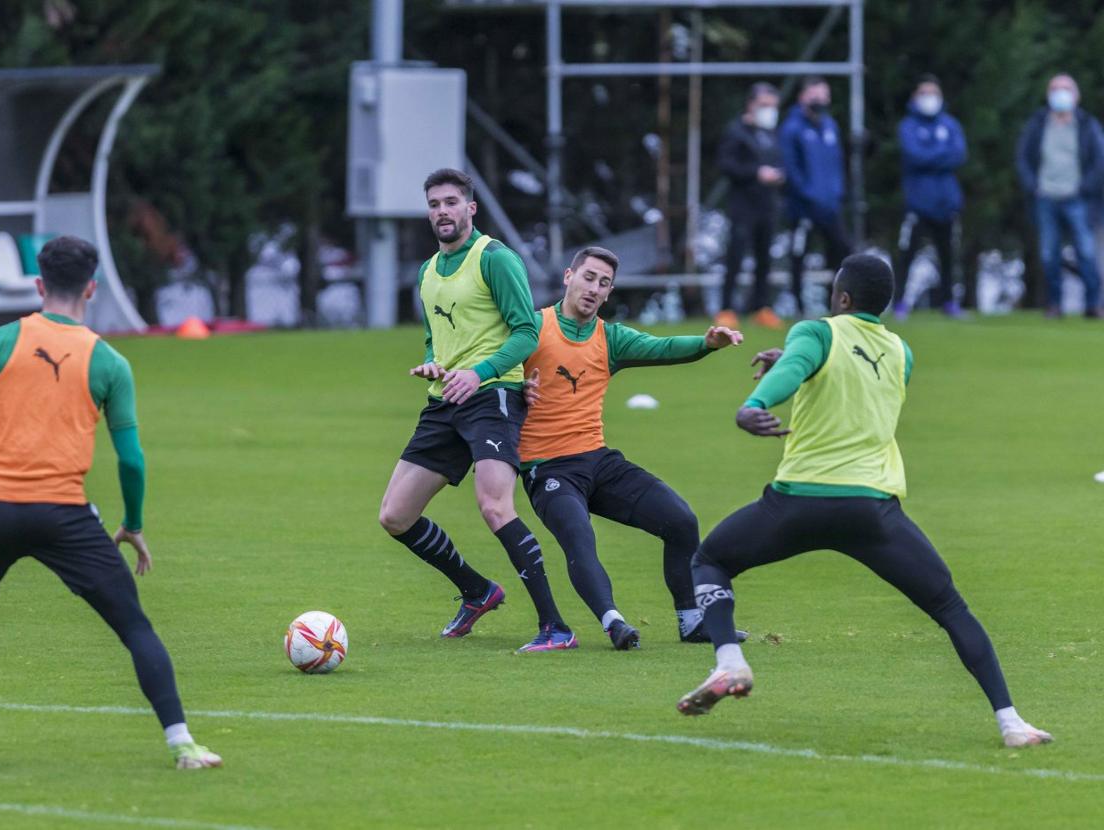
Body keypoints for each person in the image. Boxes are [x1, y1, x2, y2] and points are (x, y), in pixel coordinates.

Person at [676, 254, 1053, 749]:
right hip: (871, 511)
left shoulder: (815, 333)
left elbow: (800, 366)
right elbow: (844, 379)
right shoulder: (902, 353)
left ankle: (729, 661)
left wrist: (755, 403)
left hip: (798, 502)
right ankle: (1011, 723)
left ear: (843, 298)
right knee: (949, 606)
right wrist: (791, 365)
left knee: (711, 559)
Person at [0, 236, 221, 769]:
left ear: (40, 285)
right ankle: (183, 744)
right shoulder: (109, 361)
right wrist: (132, 524)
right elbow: (132, 459)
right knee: (135, 628)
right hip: (64, 515)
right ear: (92, 287)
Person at [379, 168, 574, 652]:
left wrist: (479, 373)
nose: (441, 211)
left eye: (451, 202)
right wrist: (432, 364)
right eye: (434, 204)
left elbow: (527, 332)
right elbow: (434, 338)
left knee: (494, 506)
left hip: (493, 399)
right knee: (395, 516)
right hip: (443, 403)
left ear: (471, 208)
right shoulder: (427, 272)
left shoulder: (496, 259)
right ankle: (476, 590)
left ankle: (555, 626)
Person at [520, 246, 749, 650]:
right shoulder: (531, 328)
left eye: (604, 283)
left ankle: (692, 621)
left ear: (609, 293)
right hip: (548, 468)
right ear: (568, 277)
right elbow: (491, 375)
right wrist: (516, 388)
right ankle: (614, 623)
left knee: (680, 520)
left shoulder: (610, 338)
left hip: (598, 460)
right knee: (579, 536)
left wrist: (707, 342)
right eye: (588, 277)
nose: (594, 288)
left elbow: (661, 348)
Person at [1015, 73, 1104, 318]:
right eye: (1055, 88)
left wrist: (1085, 188)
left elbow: (1099, 161)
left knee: (1086, 252)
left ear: (1076, 95)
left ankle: (1093, 305)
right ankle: (1054, 305)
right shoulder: (1038, 123)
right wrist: (1033, 186)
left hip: (1078, 199)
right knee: (1049, 254)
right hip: (1046, 197)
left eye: (1065, 89)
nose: (1060, 93)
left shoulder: (1087, 125)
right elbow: (1023, 157)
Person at [893, 75, 968, 320]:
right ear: (915, 97)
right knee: (907, 254)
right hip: (917, 202)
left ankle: (949, 302)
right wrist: (940, 156)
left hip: (946, 202)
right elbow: (914, 156)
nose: (930, 98)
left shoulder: (951, 124)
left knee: (949, 256)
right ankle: (900, 303)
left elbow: (959, 155)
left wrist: (930, 157)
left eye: (933, 93)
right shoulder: (908, 126)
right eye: (924, 93)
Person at [780, 76, 851, 316]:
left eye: (825, 95)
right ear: (803, 96)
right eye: (816, 95)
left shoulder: (830, 126)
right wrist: (808, 195)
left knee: (841, 251)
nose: (821, 100)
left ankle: (839, 304)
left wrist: (837, 193)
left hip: (830, 206)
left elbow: (837, 164)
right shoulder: (792, 128)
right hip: (804, 207)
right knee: (799, 256)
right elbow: (792, 168)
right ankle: (797, 305)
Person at [716, 82, 785, 330]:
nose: (769, 111)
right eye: (765, 105)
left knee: (764, 258)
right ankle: (726, 309)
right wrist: (756, 173)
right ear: (751, 104)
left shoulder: (771, 133)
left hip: (767, 204)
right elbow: (726, 165)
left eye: (773, 106)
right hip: (742, 205)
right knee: (735, 256)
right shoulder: (736, 131)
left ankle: (761, 307)